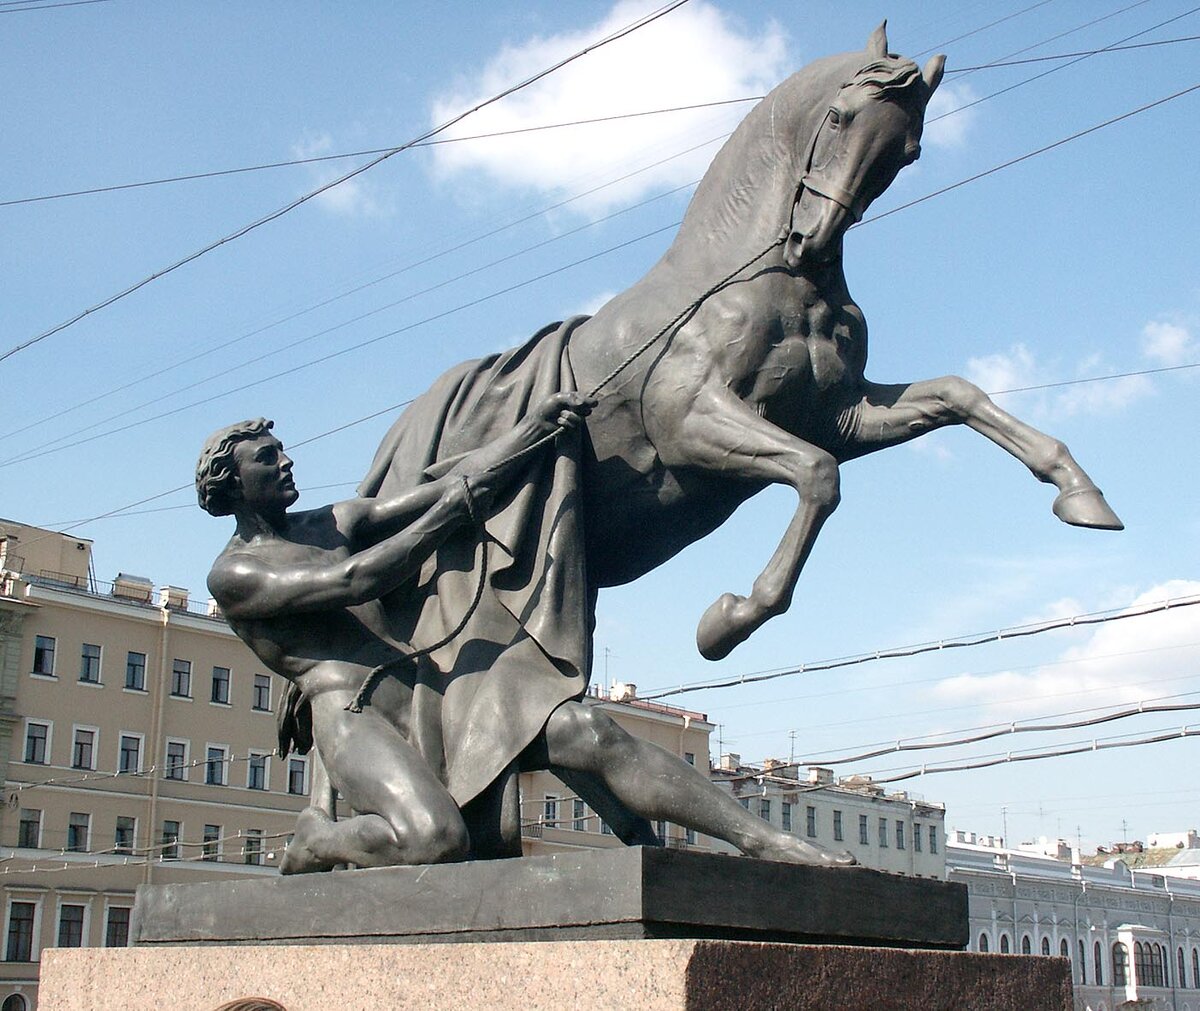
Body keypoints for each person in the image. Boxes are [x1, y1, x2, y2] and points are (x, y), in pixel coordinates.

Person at [200, 391, 854, 871]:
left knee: (586, 729)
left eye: (282, 449)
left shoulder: (332, 519)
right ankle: (320, 839)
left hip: (431, 680)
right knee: (437, 840)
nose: (286, 460)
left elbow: (451, 484)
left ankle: (761, 840)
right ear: (232, 481)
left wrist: (532, 434)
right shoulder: (234, 573)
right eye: (268, 456)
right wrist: (450, 514)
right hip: (355, 712)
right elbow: (354, 582)